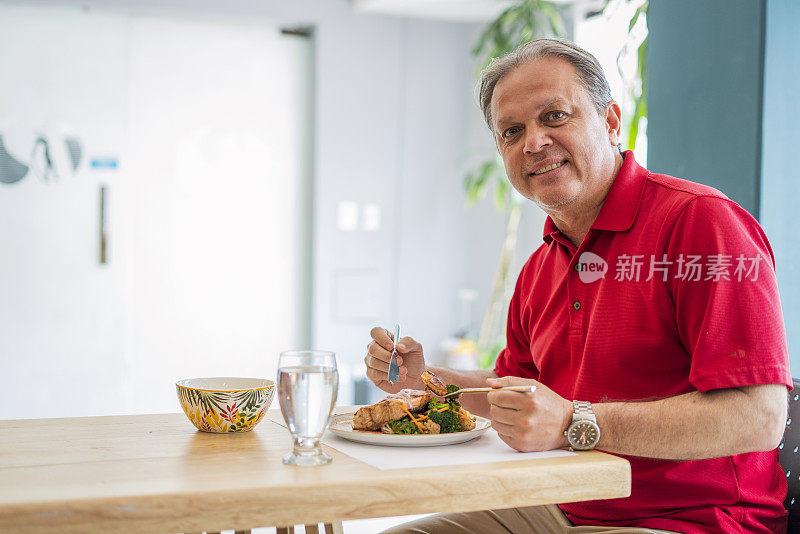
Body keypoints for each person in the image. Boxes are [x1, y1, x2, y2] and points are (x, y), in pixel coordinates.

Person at [364, 38, 791, 534]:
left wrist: (574, 422)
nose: (534, 142)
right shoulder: (538, 268)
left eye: (554, 117)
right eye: (512, 131)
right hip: (562, 504)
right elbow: (516, 398)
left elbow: (758, 416)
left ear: (610, 123)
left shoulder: (702, 224)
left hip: (693, 521)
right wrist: (426, 381)